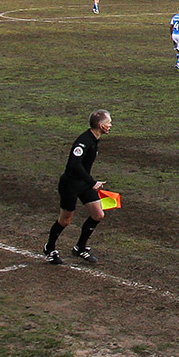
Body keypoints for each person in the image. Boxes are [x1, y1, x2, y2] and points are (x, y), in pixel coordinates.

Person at [42, 109, 113, 264]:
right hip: (70, 185)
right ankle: (49, 248)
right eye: (108, 123)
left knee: (98, 215)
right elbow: (74, 165)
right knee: (65, 220)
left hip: (83, 183)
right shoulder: (84, 141)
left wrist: (89, 182)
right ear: (101, 126)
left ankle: (80, 248)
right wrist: (92, 182)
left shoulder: (95, 139)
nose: (110, 125)